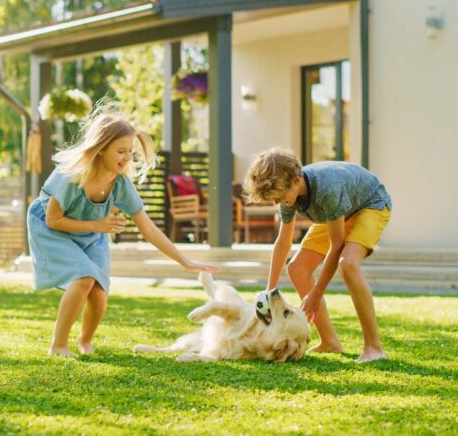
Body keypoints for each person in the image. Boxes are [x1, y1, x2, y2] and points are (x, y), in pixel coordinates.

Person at [27, 103, 220, 357]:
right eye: (120, 151)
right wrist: (97, 225)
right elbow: (53, 220)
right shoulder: (71, 176)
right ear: (100, 148)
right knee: (83, 278)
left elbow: (148, 228)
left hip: (90, 233)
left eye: (130, 152)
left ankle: (85, 342)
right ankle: (58, 345)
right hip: (51, 230)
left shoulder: (119, 183)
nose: (127, 158)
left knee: (98, 293)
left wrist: (185, 261)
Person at [243, 148, 392, 363]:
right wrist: (270, 291)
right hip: (337, 214)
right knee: (297, 268)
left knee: (348, 263)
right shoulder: (288, 196)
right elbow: (283, 242)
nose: (278, 203)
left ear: (296, 181)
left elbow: (337, 245)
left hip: (371, 205)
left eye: (280, 197)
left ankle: (374, 347)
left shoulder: (328, 188)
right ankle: (330, 342)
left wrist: (316, 293)